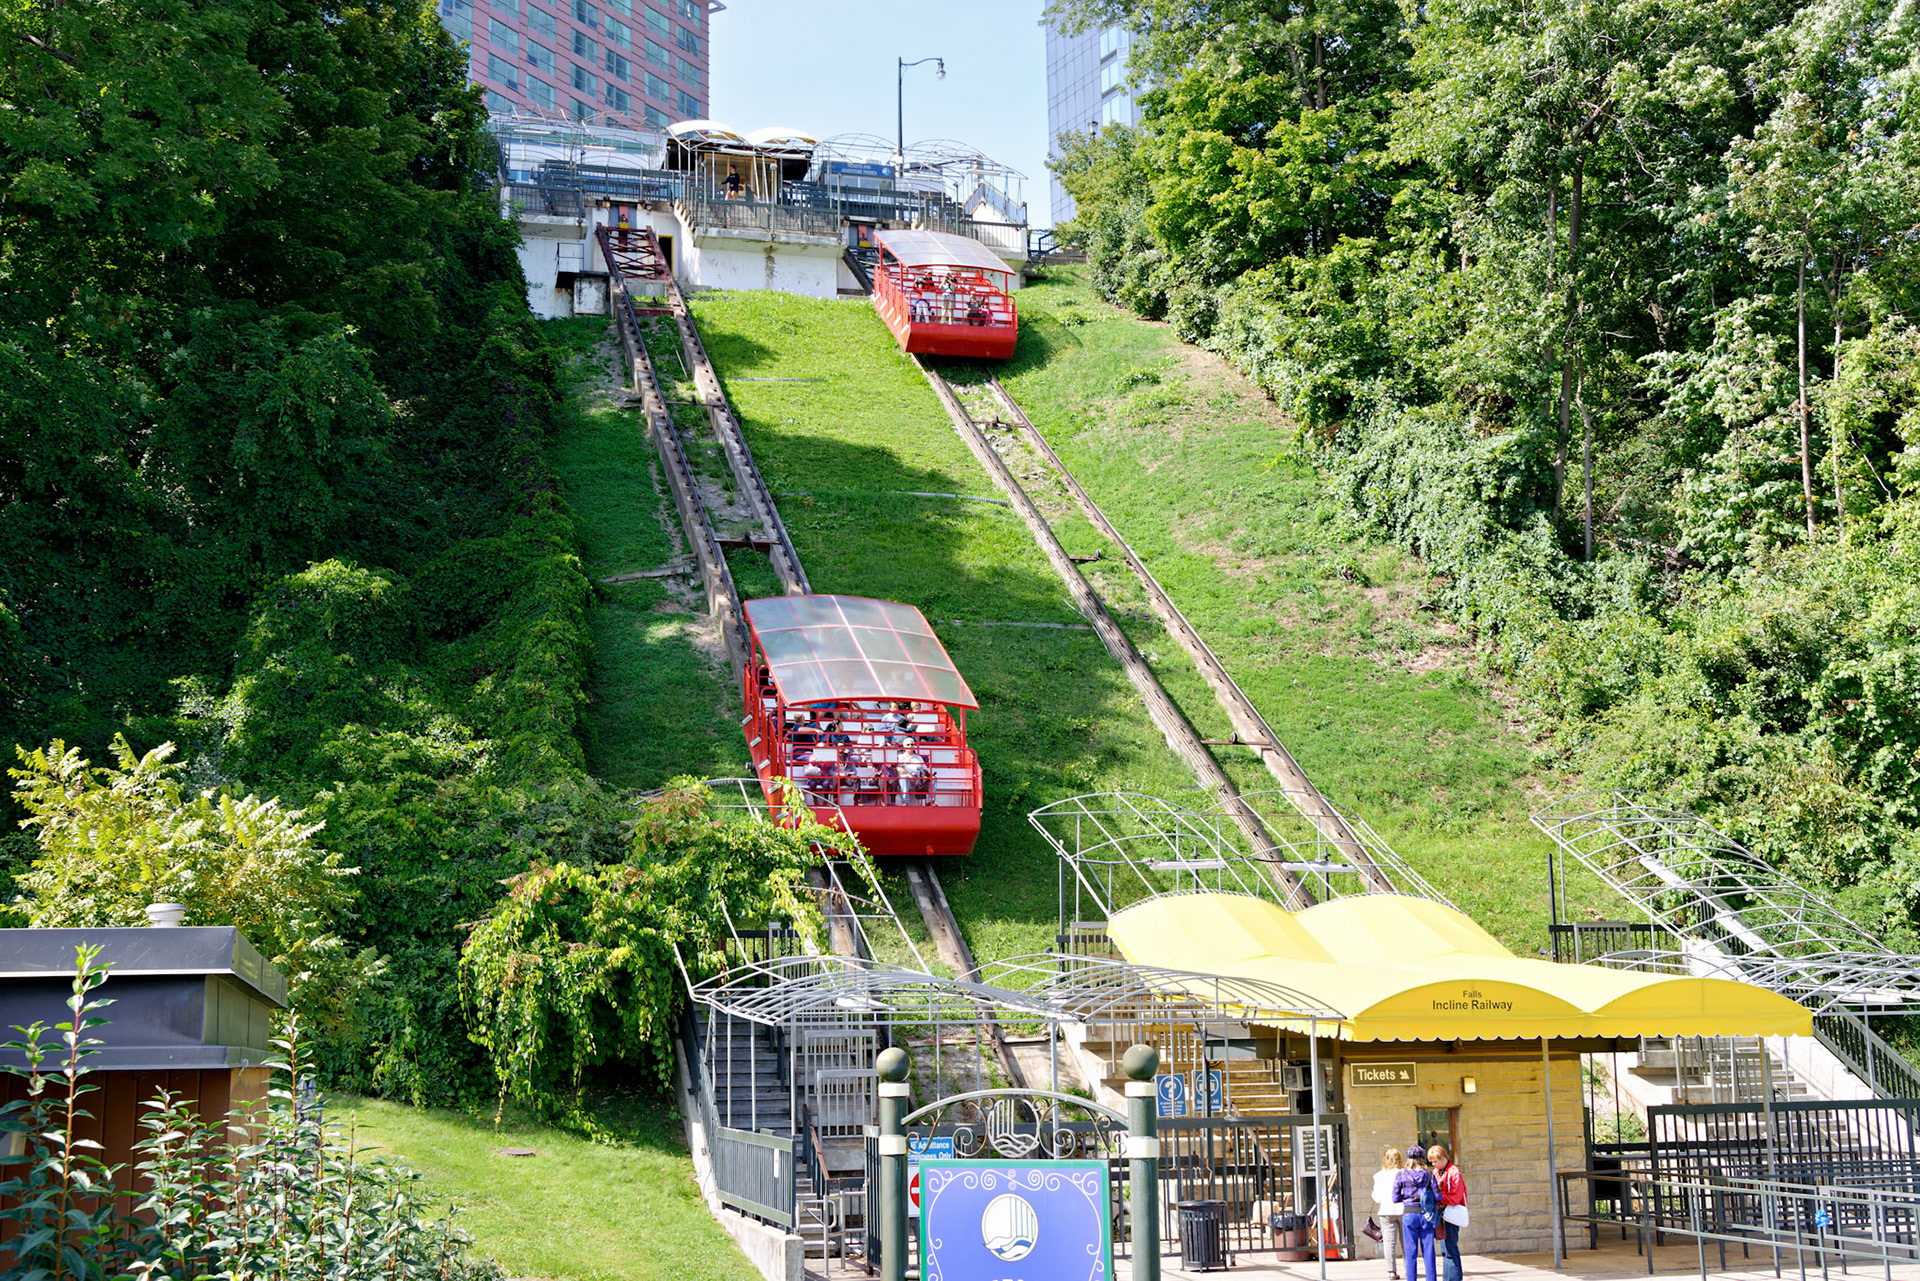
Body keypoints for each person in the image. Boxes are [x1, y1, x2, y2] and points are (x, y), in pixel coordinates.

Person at [1394, 1143, 1440, 1281]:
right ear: (1422, 1158)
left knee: (1410, 1252)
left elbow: (1395, 1198)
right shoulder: (1428, 1174)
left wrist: (1407, 1198)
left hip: (1409, 1214)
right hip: (1426, 1215)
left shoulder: (1401, 1174)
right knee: (1429, 1252)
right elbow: (1438, 1196)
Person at [1432, 1144, 1468, 1281]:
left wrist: (1439, 1197)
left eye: (1435, 1161)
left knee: (1451, 1248)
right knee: (1444, 1250)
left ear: (1443, 1158)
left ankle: (1454, 1278)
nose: (1434, 1165)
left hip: (1450, 1213)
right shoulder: (1438, 1171)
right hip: (1441, 1213)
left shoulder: (1453, 1171)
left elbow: (1456, 1196)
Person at [1372, 1146, 1405, 1279]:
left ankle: (1391, 1271)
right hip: (1403, 1210)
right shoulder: (1404, 1174)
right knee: (1406, 1242)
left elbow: (1377, 1198)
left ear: (1385, 1159)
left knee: (1389, 1243)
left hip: (1386, 1211)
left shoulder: (1378, 1176)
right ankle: (1409, 1269)